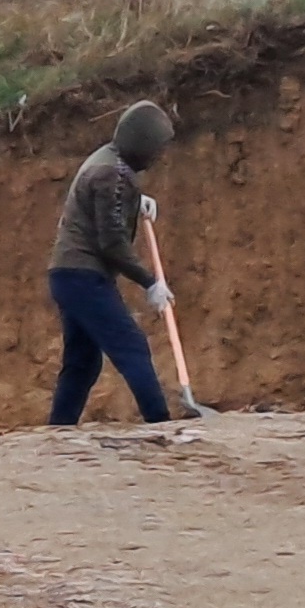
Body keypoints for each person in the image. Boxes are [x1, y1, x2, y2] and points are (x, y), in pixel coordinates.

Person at [48, 100, 178, 425]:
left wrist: (135, 204)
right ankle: (159, 420)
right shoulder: (111, 173)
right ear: (142, 144)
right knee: (131, 345)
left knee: (82, 361)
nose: (158, 156)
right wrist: (150, 282)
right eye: (156, 149)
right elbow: (112, 243)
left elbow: (105, 212)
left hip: (67, 274)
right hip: (82, 275)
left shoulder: (107, 161)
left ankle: (58, 429)